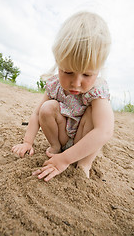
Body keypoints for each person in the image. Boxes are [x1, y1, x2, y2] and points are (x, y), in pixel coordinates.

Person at [12, 11, 114, 181]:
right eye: (68, 72)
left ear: (98, 70)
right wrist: (27, 142)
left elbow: (105, 131)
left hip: (84, 138)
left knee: (93, 115)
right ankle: (56, 147)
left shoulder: (97, 91)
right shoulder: (54, 84)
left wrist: (66, 160)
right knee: (47, 107)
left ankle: (84, 164)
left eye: (87, 75)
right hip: (63, 134)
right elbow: (37, 114)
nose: (76, 83)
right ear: (58, 63)